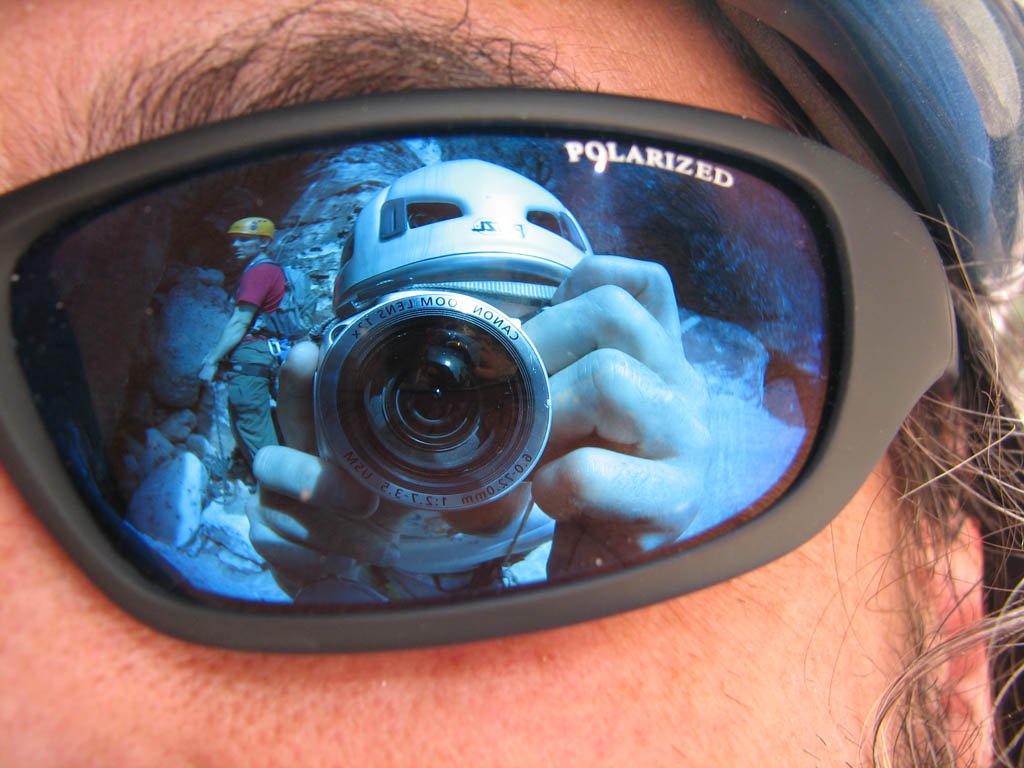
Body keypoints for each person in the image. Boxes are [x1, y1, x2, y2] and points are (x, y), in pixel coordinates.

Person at [0, 2, 1020, 767]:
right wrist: (332, 591)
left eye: (521, 344)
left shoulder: (708, 453)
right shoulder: (253, 545)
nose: (23, 697)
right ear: (336, 361)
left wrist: (639, 538)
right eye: (408, 366)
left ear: (951, 650)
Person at [199, 216, 284, 465]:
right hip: (268, 352)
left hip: (251, 355)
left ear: (264, 244)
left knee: (250, 419)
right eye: (234, 240)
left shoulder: (258, 272)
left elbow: (239, 321)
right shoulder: (273, 271)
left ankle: (275, 489)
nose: (235, 245)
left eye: (244, 240)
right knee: (256, 419)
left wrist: (212, 361)